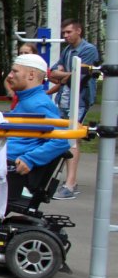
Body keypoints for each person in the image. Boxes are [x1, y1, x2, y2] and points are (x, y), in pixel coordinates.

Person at [49, 18, 101, 199]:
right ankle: (68, 180)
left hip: (79, 99)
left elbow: (79, 76)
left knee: (71, 137)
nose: (65, 36)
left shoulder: (88, 50)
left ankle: (70, 184)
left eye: (69, 32)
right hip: (64, 99)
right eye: (64, 33)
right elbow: (53, 73)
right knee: (67, 137)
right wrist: (65, 75)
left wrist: (65, 75)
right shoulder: (67, 50)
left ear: (79, 31)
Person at [5, 54, 71, 192]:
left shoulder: (37, 104)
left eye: (15, 71)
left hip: (10, 170)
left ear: (31, 75)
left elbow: (63, 139)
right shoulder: (28, 100)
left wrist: (30, 159)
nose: (9, 76)